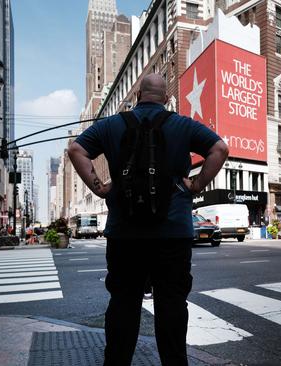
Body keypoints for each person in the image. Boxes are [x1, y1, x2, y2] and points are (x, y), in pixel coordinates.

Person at [68, 73, 228, 365]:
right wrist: (196, 185)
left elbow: (76, 149)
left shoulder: (112, 124)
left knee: (123, 304)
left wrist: (99, 187)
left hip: (125, 233)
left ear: (138, 96)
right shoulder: (182, 124)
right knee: (172, 305)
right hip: (172, 233)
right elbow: (220, 149)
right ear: (166, 99)